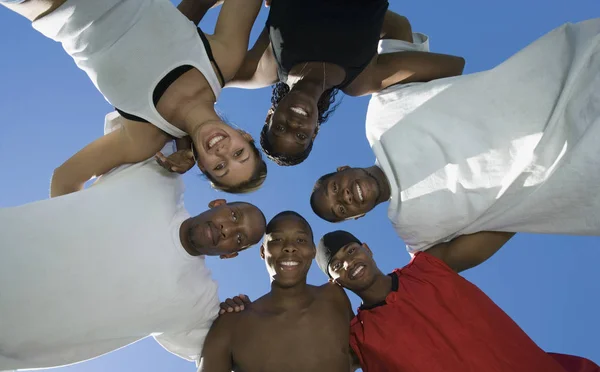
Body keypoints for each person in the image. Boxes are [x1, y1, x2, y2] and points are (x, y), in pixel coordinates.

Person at [310, 18, 600, 253]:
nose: (345, 196)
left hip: (570, 72)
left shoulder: (380, 115)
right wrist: (528, 202)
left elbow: (446, 62)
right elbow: (448, 264)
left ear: (343, 169)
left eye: (336, 188)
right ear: (356, 217)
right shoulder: (416, 232)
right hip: (582, 168)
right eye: (341, 208)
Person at [0, 138, 267, 372]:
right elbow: (149, 115)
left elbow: (232, 370)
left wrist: (234, 323)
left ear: (231, 254)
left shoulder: (196, 301)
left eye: (239, 238)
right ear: (217, 203)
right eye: (234, 215)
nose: (227, 229)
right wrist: (186, 144)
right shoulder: (158, 178)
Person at [1, 0, 267, 193]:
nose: (223, 153)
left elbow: (64, 180)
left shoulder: (143, 139)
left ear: (202, 166)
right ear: (245, 135)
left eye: (220, 167)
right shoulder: (224, 59)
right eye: (239, 153)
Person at [314, 230, 600, 372]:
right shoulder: (359, 342)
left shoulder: (428, 268)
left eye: (351, 250)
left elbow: (508, 221)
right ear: (334, 282)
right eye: (336, 265)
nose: (349, 262)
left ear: (367, 249)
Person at [227, 4, 465, 166]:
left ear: (270, 115)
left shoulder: (263, 67)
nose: (294, 123)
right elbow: (451, 65)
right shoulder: (363, 80)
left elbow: (202, 77)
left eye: (279, 128)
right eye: (301, 135)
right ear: (315, 131)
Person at [186, 211, 362, 372]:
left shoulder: (334, 297)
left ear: (312, 251)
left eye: (301, 240)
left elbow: (376, 358)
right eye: (277, 240)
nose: (289, 248)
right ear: (263, 251)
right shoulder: (232, 324)